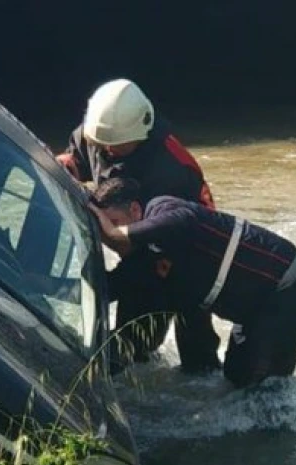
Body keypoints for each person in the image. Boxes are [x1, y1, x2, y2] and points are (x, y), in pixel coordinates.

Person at [89, 178, 296, 388]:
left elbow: (182, 222)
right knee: (238, 378)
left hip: (295, 288)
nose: (111, 239)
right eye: (106, 232)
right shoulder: (144, 255)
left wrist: (115, 234)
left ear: (134, 209)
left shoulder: (165, 208)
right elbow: (109, 287)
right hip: (258, 306)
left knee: (263, 388)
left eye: (114, 221)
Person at [55, 78, 220, 373]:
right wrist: (63, 167)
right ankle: (131, 364)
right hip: (136, 237)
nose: (105, 150)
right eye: (99, 144)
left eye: (114, 148)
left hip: (185, 254)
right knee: (127, 343)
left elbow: (155, 257)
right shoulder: (100, 131)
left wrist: (107, 287)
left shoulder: (170, 173)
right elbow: (78, 159)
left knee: (193, 346)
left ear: (140, 135)